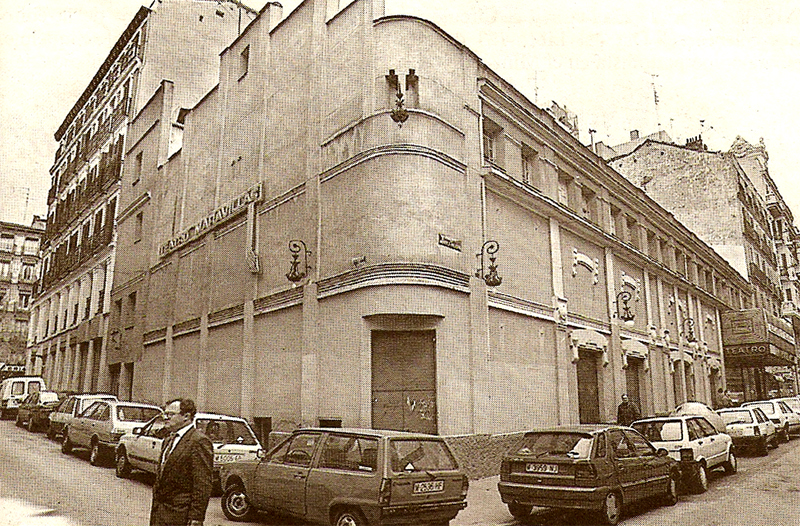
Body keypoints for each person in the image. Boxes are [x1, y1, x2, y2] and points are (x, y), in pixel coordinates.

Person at [150, 398, 213, 526]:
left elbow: (202, 484)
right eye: (165, 414)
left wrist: (196, 517)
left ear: (186, 416)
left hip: (180, 516)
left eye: (170, 414)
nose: (165, 418)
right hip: (160, 513)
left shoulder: (198, 441)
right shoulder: (168, 439)